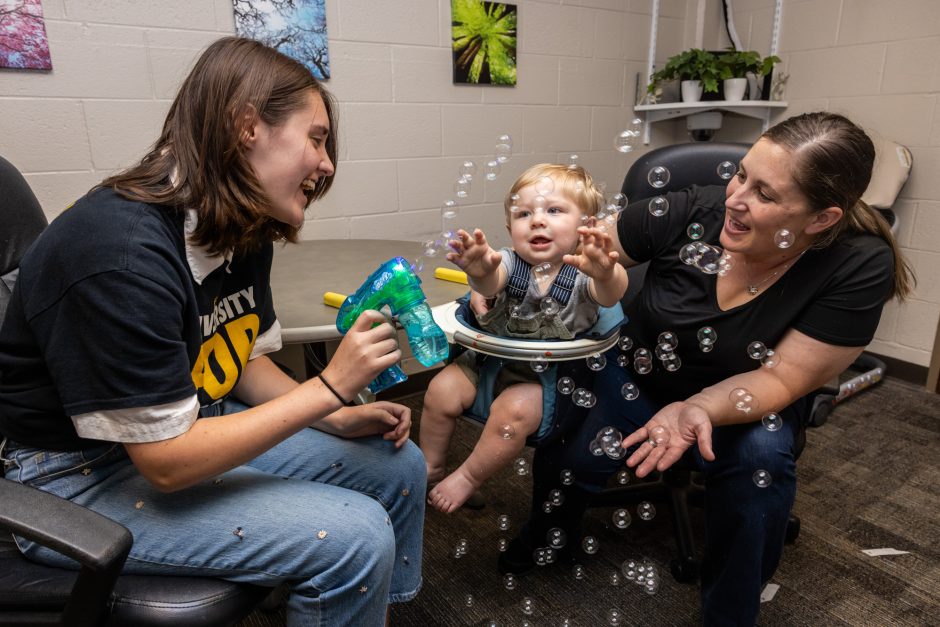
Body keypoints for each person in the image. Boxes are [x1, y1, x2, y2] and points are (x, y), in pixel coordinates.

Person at [0, 37, 426, 626]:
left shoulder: (241, 229)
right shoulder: (118, 254)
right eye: (317, 137)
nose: (328, 164)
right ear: (245, 125)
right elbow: (167, 462)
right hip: (73, 479)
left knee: (396, 465)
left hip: (187, 424)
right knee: (354, 536)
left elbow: (238, 357)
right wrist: (327, 390)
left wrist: (337, 415)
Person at [493, 112, 915, 625]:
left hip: (753, 397)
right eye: (741, 174)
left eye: (765, 194)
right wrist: (493, 276)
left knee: (759, 461)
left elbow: (782, 378)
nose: (734, 199)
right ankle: (546, 534)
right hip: (638, 372)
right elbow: (570, 251)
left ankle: (730, 613)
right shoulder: (691, 208)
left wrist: (696, 408)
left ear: (821, 218)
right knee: (575, 442)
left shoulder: (858, 262)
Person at [421, 163, 628, 513]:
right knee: (438, 390)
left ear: (587, 226)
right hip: (490, 361)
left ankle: (469, 477)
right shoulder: (509, 262)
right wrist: (480, 270)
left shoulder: (585, 272)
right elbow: (492, 282)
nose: (537, 220)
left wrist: (606, 271)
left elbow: (610, 294)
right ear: (509, 228)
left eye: (554, 210)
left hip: (546, 379)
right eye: (523, 213)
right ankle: (431, 467)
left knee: (512, 415)